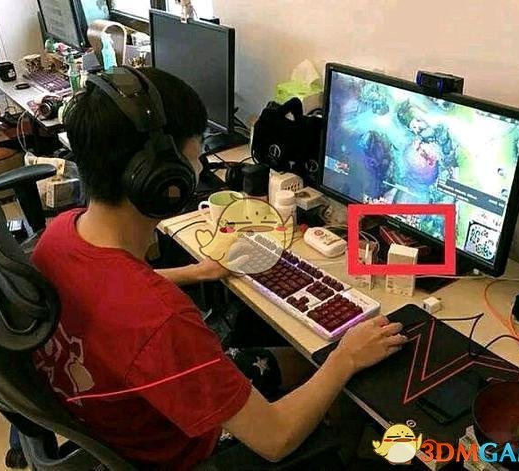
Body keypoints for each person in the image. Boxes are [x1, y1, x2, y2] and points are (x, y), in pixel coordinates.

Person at [32, 67, 408, 470]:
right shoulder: (163, 320)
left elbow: (107, 291)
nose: (197, 170)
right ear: (161, 177)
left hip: (126, 416)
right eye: (196, 157)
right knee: (341, 383)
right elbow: (276, 438)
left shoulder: (59, 236)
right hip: (187, 450)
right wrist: (345, 358)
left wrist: (195, 272)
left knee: (301, 360)